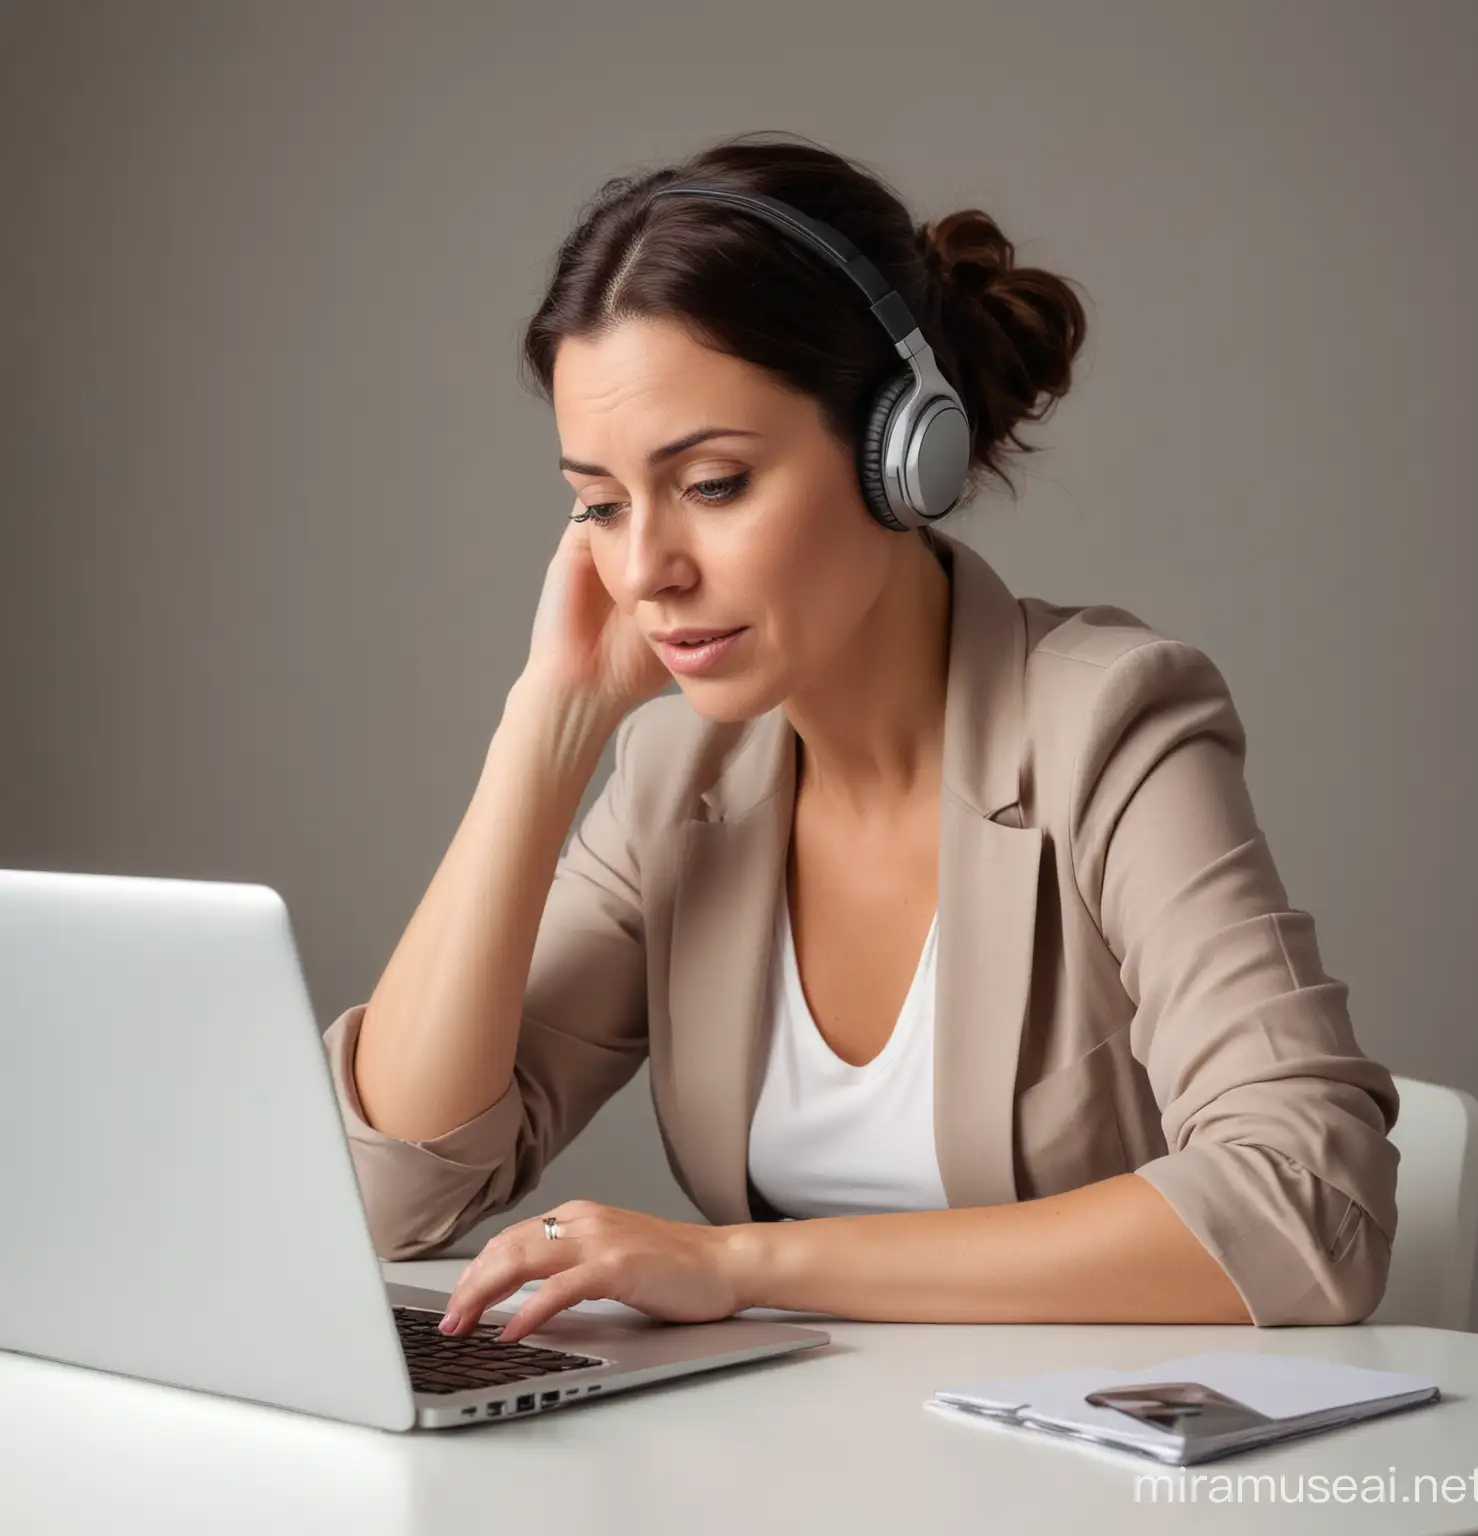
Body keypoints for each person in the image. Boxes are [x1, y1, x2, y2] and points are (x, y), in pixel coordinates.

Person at [320, 131, 1399, 1339]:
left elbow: (1311, 1203)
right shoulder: (680, 781)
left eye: (713, 483)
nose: (645, 569)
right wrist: (547, 726)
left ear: (904, 454)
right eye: (601, 506)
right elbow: (395, 1189)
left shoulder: (1108, 725)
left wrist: (740, 1266)